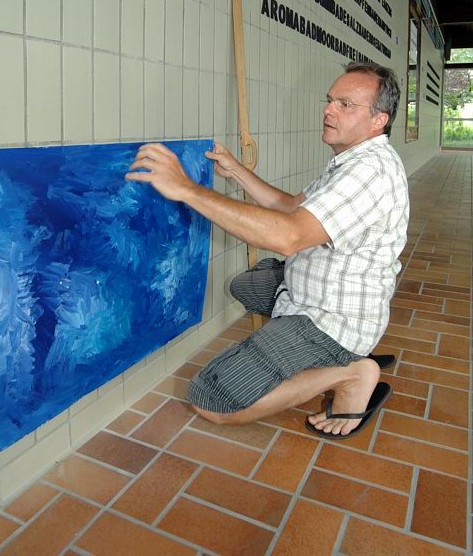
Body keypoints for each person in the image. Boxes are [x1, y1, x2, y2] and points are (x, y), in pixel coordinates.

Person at [126, 61, 409, 439]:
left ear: (378, 120)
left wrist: (186, 190)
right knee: (244, 285)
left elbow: (288, 236)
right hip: (311, 287)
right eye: (330, 100)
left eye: (345, 104)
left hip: (331, 318)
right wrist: (236, 170)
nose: (328, 110)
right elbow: (290, 208)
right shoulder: (350, 160)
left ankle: (350, 373)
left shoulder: (369, 171)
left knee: (210, 400)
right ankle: (308, 353)